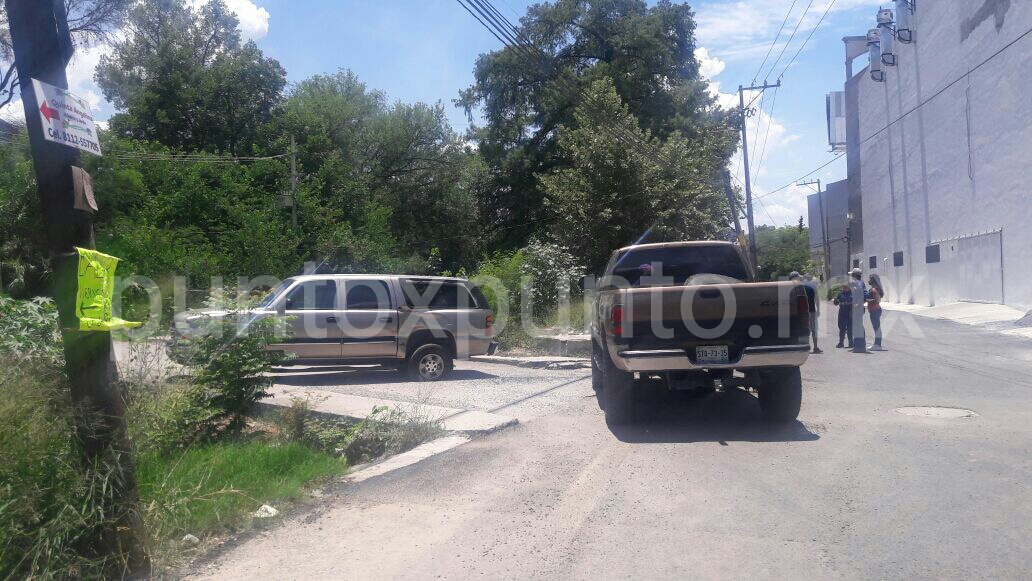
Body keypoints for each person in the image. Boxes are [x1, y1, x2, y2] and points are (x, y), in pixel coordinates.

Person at [790, 271, 822, 353]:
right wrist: (818, 310)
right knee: (814, 330)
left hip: (800, 312)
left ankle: (802, 347)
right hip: (811, 310)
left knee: (801, 329)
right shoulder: (812, 285)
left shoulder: (795, 286)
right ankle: (815, 347)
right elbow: (817, 298)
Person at [849, 267, 868, 353]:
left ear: (855, 275)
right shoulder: (857, 283)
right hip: (856, 307)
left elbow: (863, 294)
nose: (851, 276)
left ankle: (860, 346)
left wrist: (858, 304)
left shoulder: (859, 284)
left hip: (858, 308)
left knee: (858, 327)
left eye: (852, 274)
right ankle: (858, 345)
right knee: (857, 327)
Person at [867, 274, 885, 351]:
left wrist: (867, 300)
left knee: (877, 328)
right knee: (876, 328)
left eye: (870, 279)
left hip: (875, 310)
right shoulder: (875, 289)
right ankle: (876, 344)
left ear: (873, 280)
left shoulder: (874, 290)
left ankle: (878, 345)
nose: (869, 280)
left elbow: (877, 300)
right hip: (874, 310)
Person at [833, 283, 853, 348]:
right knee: (842, 328)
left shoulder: (852, 294)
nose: (844, 288)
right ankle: (841, 343)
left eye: (845, 287)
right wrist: (836, 300)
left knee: (850, 329)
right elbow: (836, 303)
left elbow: (855, 302)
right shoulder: (840, 294)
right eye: (843, 287)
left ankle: (851, 343)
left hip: (850, 313)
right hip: (842, 313)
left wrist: (849, 303)